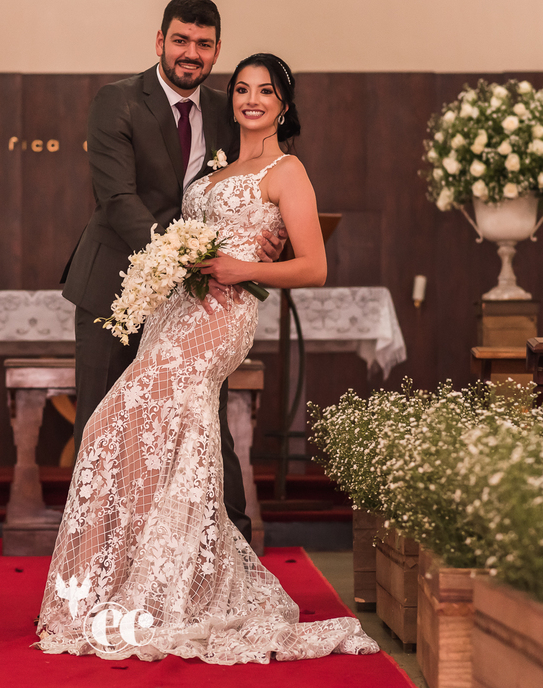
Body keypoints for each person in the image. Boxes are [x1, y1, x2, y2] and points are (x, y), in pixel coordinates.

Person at [36, 53, 380, 663]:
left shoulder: (287, 170)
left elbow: (314, 266)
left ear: (284, 104)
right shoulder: (218, 168)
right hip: (174, 313)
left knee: (112, 424)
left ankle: (149, 587)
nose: (251, 100)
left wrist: (245, 267)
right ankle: (140, 586)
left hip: (221, 318)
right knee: (160, 439)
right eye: (242, 89)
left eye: (265, 91)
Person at [61, 0, 276, 546]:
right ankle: (91, 566)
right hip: (115, 291)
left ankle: (226, 555)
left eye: (203, 44)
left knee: (204, 425)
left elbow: (260, 180)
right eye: (180, 40)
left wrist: (268, 237)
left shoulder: (228, 112)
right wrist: (184, 260)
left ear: (217, 51)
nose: (190, 53)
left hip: (197, 304)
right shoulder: (117, 101)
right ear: (160, 41)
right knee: (104, 426)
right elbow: (118, 199)